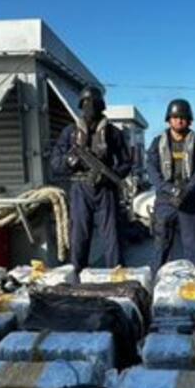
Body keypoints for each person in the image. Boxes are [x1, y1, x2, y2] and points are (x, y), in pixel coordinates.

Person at [51, 85, 133, 271]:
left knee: (112, 235)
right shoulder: (70, 132)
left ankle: (117, 274)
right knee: (79, 235)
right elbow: (55, 162)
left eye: (94, 103)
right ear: (81, 105)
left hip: (106, 188)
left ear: (101, 106)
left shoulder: (113, 133)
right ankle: (78, 274)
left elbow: (126, 162)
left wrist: (110, 176)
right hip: (80, 187)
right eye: (87, 103)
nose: (90, 108)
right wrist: (70, 161)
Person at [146, 99, 195, 271]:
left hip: (189, 199)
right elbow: (152, 171)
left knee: (194, 245)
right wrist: (170, 189)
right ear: (169, 120)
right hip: (165, 199)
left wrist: (186, 191)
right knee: (161, 245)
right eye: (175, 117)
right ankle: (156, 278)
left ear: (189, 120)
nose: (179, 121)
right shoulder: (157, 143)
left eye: (183, 117)